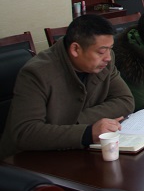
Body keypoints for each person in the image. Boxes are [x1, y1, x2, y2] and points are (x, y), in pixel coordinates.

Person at [0, 15, 134, 158]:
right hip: (26, 160)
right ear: (75, 49)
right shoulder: (37, 73)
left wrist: (79, 123)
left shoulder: (105, 62)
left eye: (110, 48)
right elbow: (25, 132)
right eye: (101, 51)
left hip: (72, 150)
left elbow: (125, 100)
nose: (108, 57)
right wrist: (87, 133)